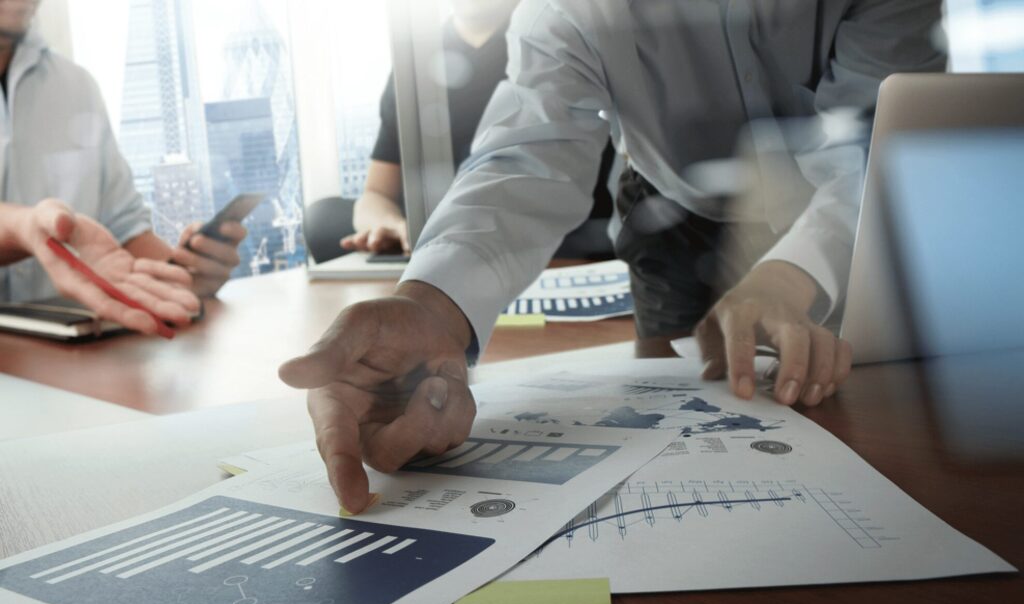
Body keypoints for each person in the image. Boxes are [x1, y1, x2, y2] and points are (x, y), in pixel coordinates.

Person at [280, 0, 946, 513]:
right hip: (672, 213)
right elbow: (530, 157)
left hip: (848, 205)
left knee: (870, 419)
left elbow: (878, 145)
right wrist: (430, 306)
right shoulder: (564, 9)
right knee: (700, 427)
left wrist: (793, 274)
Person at [0, 0, 244, 335]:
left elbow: (124, 227)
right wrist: (21, 227)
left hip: (73, 355)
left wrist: (183, 276)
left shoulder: (76, 87)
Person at [341, 0, 615, 257]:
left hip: (559, 241)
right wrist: (393, 225)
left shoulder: (557, 42)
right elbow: (375, 195)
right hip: (446, 247)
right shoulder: (415, 63)